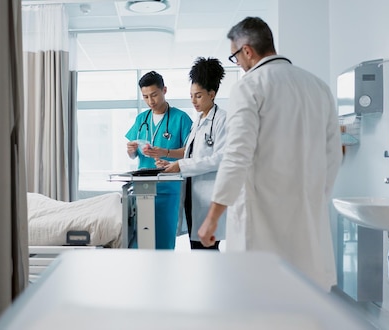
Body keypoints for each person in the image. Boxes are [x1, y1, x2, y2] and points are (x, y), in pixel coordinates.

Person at [197, 17, 342, 292]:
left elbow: (237, 155)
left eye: (235, 56)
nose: (237, 63)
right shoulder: (318, 87)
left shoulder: (249, 87)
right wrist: (315, 199)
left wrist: (213, 216)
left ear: (247, 51)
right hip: (307, 224)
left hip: (261, 225)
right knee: (304, 305)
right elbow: (333, 155)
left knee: (261, 303)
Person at [156, 57, 227, 250]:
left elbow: (221, 158)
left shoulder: (222, 120)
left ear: (212, 94)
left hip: (208, 197)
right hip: (192, 196)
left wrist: (182, 166)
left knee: (207, 252)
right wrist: (169, 164)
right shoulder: (199, 121)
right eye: (191, 96)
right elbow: (191, 155)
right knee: (198, 250)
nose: (193, 101)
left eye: (198, 96)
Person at [125, 71, 193, 249]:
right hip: (143, 184)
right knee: (140, 237)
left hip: (169, 184)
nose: (150, 101)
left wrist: (166, 152)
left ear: (164, 90)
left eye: (154, 95)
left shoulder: (181, 118)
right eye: (145, 97)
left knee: (164, 236)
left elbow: (190, 151)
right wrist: (131, 151)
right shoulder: (142, 119)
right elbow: (134, 155)